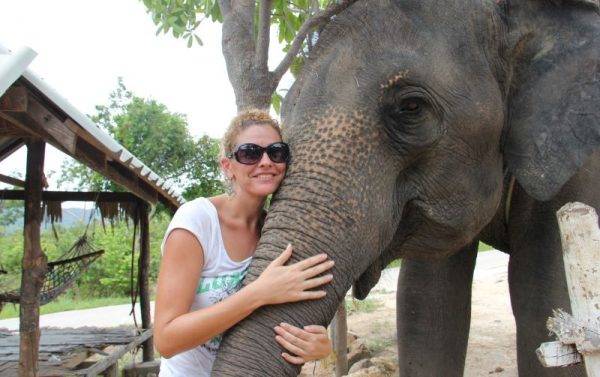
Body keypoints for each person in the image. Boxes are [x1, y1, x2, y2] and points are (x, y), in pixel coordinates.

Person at [154, 110, 335, 376]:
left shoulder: (276, 232)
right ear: (228, 167)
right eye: (250, 153)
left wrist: (320, 345)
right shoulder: (197, 222)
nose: (266, 162)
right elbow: (166, 340)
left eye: (277, 152)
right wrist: (258, 293)